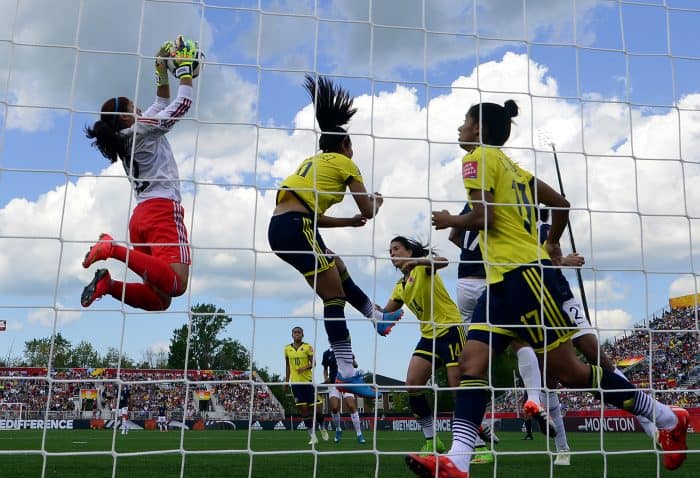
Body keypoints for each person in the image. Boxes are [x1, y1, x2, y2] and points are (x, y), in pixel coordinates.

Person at [404, 100, 688, 477]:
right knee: (471, 364)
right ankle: (458, 461)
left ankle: (668, 418)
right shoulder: (515, 169)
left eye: (465, 122)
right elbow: (561, 204)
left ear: (479, 130)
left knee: (571, 373)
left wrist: (448, 219)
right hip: (501, 284)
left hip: (527, 278)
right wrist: (551, 242)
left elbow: (482, 217)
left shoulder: (476, 160)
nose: (460, 129)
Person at [268, 74, 401, 398]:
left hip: (286, 228)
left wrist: (347, 222)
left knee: (336, 266)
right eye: (351, 145)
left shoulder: (311, 162)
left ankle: (377, 317)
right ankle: (345, 372)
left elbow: (310, 212)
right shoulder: (345, 163)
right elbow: (369, 209)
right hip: (297, 229)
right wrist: (376, 202)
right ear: (344, 145)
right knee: (333, 297)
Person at [81, 36, 197, 311]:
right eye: (134, 107)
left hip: (141, 218)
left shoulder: (124, 136)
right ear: (125, 117)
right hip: (162, 210)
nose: (140, 109)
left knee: (160, 299)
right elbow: (181, 105)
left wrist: (160, 69)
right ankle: (112, 248)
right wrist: (185, 71)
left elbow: (160, 102)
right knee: (177, 284)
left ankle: (108, 285)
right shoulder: (141, 130)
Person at [379, 236, 466, 456]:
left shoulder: (422, 268)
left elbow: (443, 260)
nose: (392, 254)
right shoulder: (400, 286)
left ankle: (477, 444)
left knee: (458, 389)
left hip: (449, 329)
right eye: (390, 251)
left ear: (409, 252)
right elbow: (383, 314)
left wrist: (418, 262)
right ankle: (432, 441)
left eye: (396, 248)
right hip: (428, 336)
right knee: (412, 384)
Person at [284, 326, 329, 445]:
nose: (297, 334)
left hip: (308, 382)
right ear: (292, 335)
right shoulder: (287, 349)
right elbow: (288, 366)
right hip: (296, 384)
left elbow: (313, 363)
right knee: (304, 410)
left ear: (302, 335)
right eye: (295, 332)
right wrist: (286, 381)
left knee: (317, 409)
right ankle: (312, 436)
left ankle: (322, 427)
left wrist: (304, 367)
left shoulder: (308, 347)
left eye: (299, 332)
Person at [321, 348, 366, 444]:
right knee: (334, 408)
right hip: (334, 383)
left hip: (347, 382)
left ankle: (359, 434)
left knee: (351, 405)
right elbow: (325, 369)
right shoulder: (327, 354)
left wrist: (355, 364)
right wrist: (326, 378)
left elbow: (355, 364)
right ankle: (338, 429)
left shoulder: (346, 351)